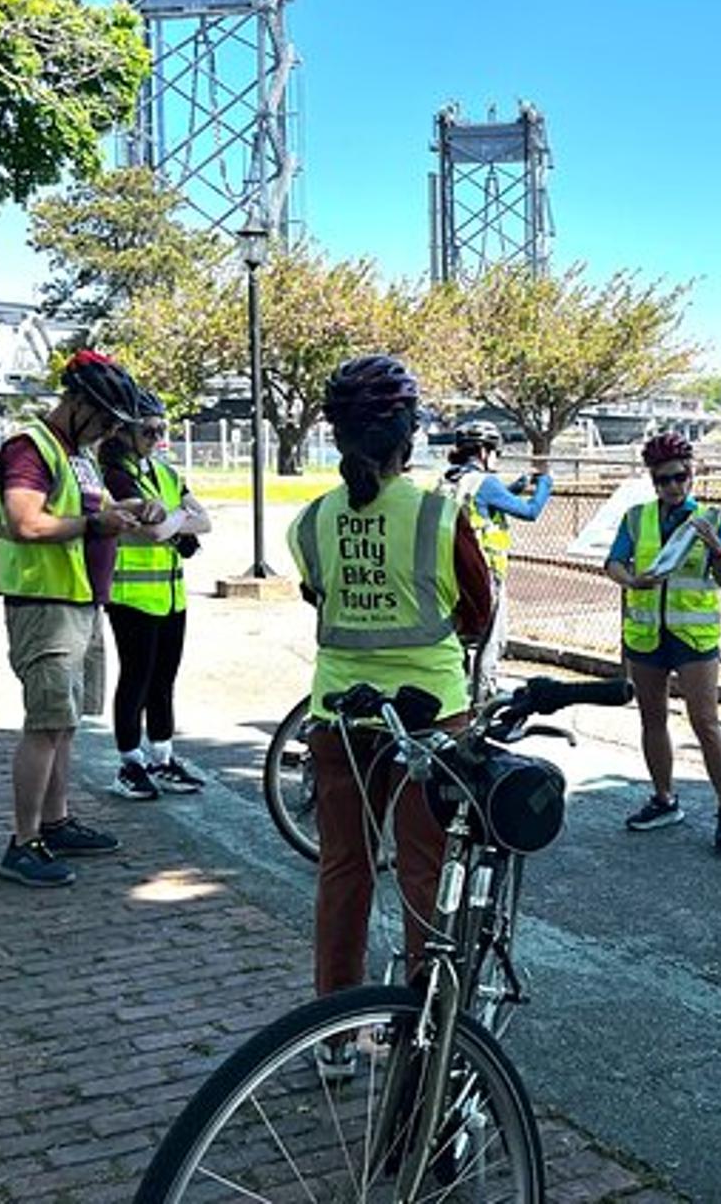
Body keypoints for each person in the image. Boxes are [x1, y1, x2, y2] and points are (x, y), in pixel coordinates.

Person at [287, 356, 494, 1064]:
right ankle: (424, 1034)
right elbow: (477, 610)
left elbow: (320, 597)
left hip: (339, 716)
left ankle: (332, 1036)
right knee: (423, 876)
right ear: (409, 433)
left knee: (344, 870)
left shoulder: (311, 522)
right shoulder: (440, 513)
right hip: (430, 719)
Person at [0, 350, 163, 888]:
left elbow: (96, 511)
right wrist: (98, 524)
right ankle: (22, 843)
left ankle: (56, 821)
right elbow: (27, 522)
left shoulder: (79, 455)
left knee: (64, 725)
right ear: (78, 403)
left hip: (81, 602)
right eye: (107, 419)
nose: (111, 430)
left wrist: (136, 512)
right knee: (44, 724)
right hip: (44, 603)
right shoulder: (29, 448)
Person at [603, 433, 721, 851]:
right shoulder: (637, 517)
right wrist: (632, 580)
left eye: (680, 477)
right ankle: (664, 799)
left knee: (705, 721)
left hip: (693, 635)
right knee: (653, 718)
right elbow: (613, 562)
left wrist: (717, 550)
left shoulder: (713, 518)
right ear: (652, 481)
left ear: (692, 473)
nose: (673, 486)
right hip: (648, 633)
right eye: (664, 479)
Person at [103, 391, 211, 800]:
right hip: (131, 595)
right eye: (147, 430)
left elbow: (205, 521)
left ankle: (162, 757)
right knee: (136, 678)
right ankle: (130, 763)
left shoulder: (163, 472)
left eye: (161, 429)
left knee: (164, 678)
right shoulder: (115, 473)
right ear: (125, 431)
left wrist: (177, 519)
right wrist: (180, 520)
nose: (156, 436)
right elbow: (152, 531)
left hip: (170, 594)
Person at [439, 419, 552, 699]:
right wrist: (545, 485)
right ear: (483, 452)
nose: (497, 458)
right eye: (496, 452)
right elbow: (530, 512)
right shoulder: (486, 482)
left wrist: (511, 489)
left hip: (449, 574)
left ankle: (455, 699)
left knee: (457, 642)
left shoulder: (447, 481)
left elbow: (477, 507)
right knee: (491, 643)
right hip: (485, 574)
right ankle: (482, 703)